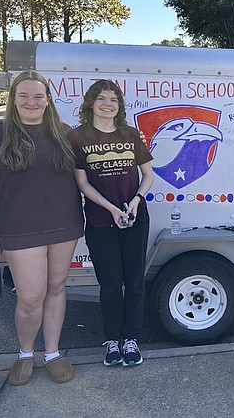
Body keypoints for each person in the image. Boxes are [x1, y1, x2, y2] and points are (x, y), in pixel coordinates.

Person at [0, 71, 84, 385]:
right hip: (19, 228)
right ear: (13, 99)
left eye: (38, 96)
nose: (31, 102)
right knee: (30, 297)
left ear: (48, 100)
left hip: (64, 224)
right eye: (24, 96)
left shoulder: (64, 133)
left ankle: (52, 353)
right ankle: (24, 354)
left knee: (57, 288)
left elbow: (91, 169)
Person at [68, 79, 155, 367]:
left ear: (119, 106)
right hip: (99, 219)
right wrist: (110, 209)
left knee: (133, 281)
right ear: (91, 103)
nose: (108, 104)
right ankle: (112, 340)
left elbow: (148, 175)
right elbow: (82, 183)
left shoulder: (130, 135)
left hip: (134, 217)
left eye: (113, 100)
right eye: (102, 98)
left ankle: (131, 338)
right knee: (109, 283)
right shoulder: (78, 137)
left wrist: (135, 202)